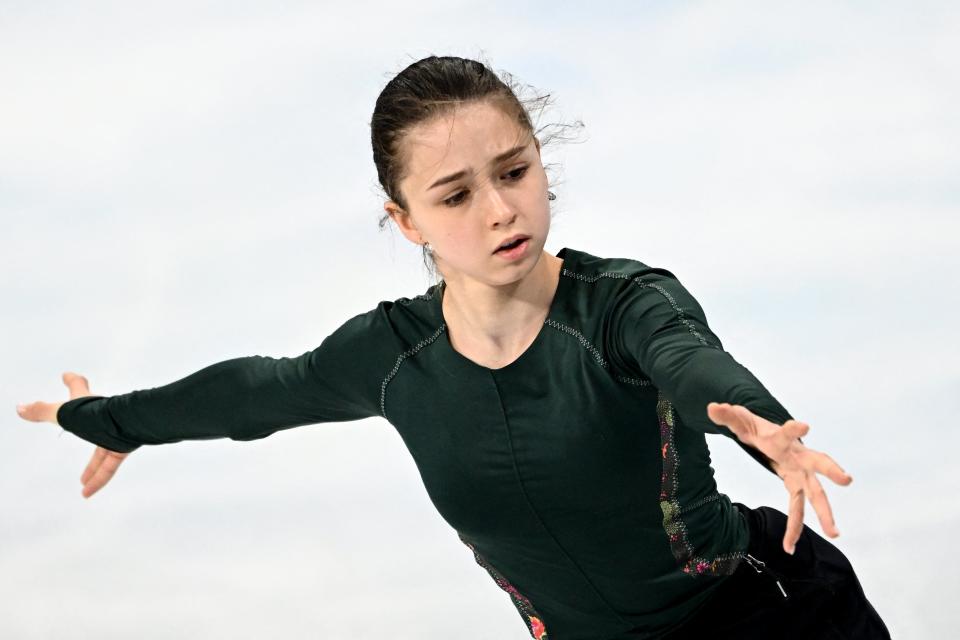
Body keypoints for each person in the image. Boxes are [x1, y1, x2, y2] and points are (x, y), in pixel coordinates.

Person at [16, 56, 889, 640]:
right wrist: (109, 418)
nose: (501, 210)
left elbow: (690, 362)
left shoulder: (621, 304)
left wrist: (766, 427)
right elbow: (254, 394)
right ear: (405, 222)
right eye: (455, 194)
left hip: (765, 618)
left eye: (513, 172)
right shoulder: (395, 356)